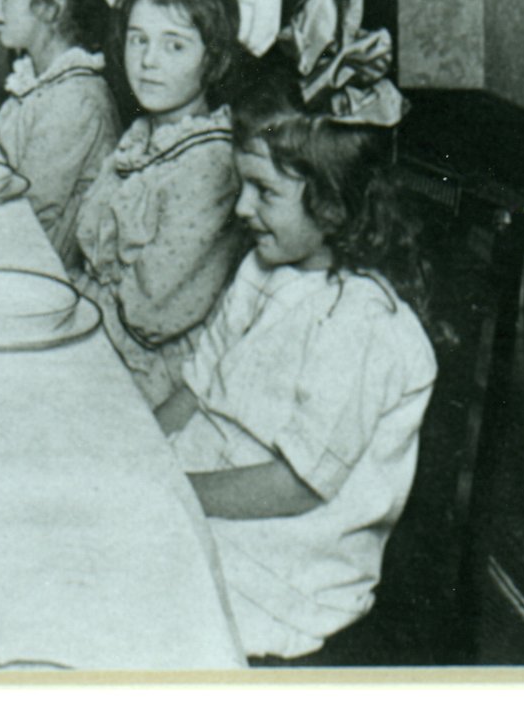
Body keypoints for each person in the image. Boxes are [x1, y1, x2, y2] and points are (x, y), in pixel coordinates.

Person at [157, 68, 437, 662]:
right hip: (214, 497)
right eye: (241, 186)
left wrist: (166, 490)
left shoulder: (366, 323)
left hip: (286, 566)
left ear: (332, 205)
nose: (240, 207)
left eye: (263, 191)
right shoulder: (264, 268)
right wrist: (137, 454)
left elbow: (296, 485)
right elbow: (196, 387)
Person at [70, 0, 252, 404]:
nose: (148, 61)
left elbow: (146, 315)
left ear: (214, 58)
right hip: (94, 335)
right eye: (138, 39)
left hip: (143, 374)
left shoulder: (211, 165)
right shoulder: (144, 135)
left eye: (174, 45)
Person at [0, 0, 120, 263]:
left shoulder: (74, 101)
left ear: (51, 7)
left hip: (44, 269)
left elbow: (27, 217)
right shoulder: (43, 81)